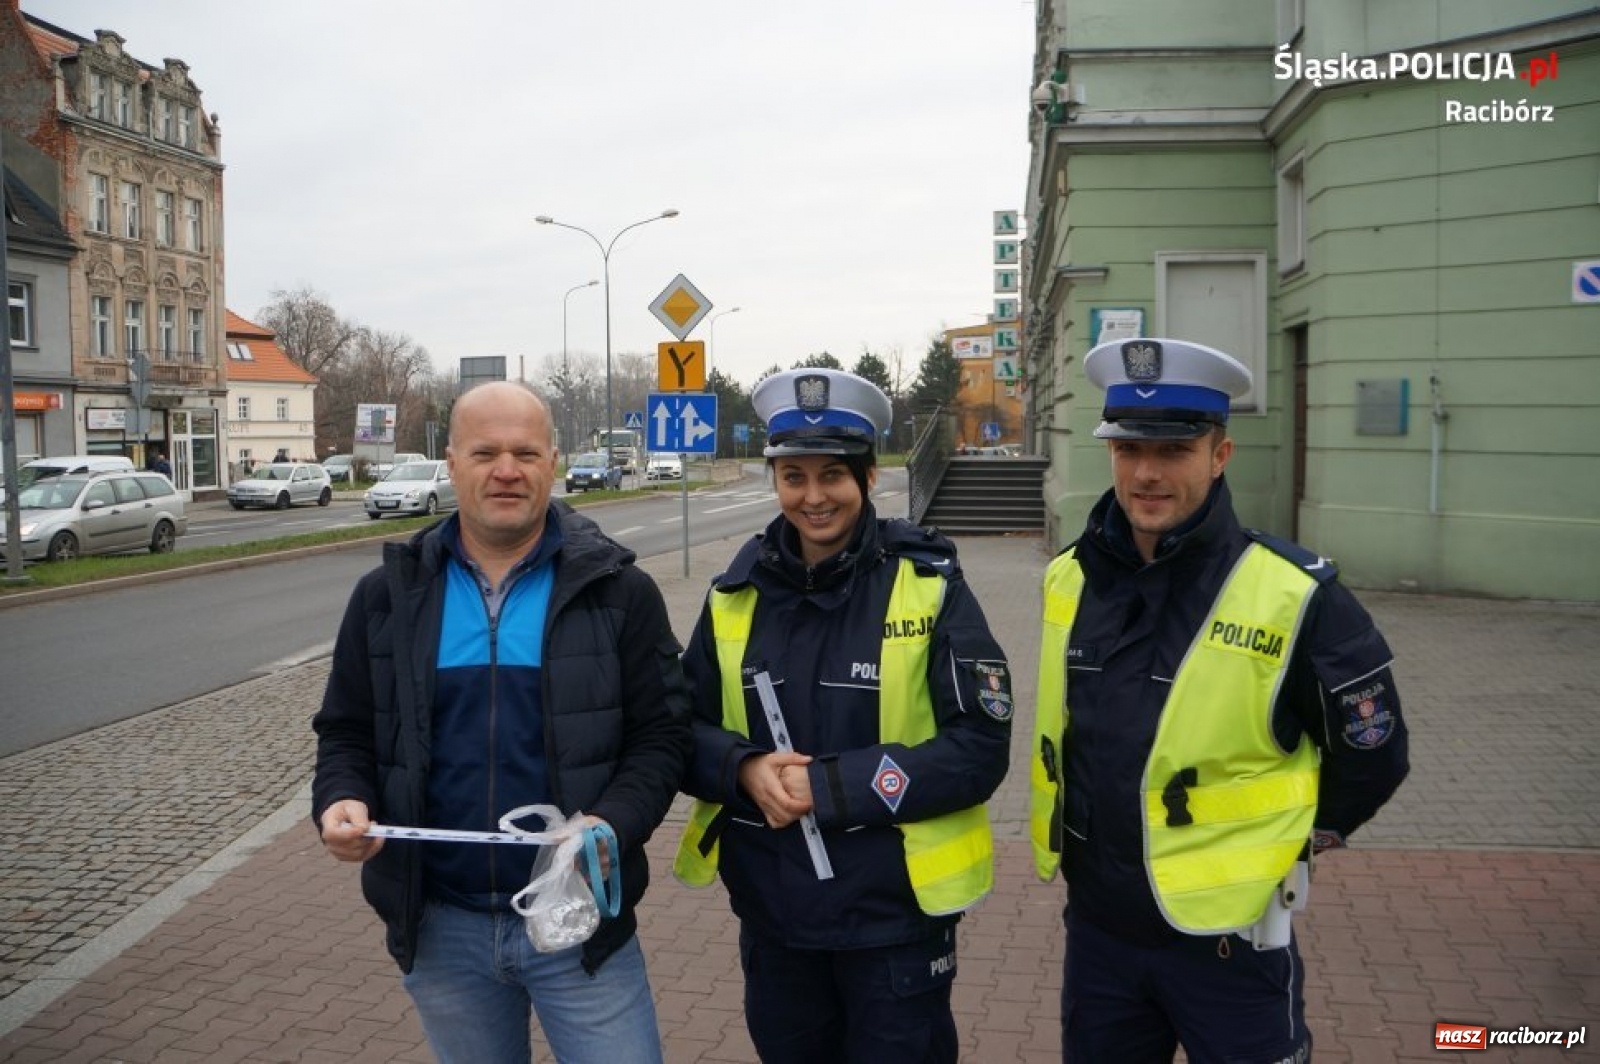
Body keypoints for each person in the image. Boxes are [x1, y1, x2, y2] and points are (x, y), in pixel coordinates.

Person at [1029, 338, 1410, 1062]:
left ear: (1219, 454)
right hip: (1100, 935)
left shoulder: (1295, 594)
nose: (1145, 473)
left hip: (1230, 944)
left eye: (1173, 450)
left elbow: (1374, 754)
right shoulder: (1069, 578)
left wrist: (1293, 844)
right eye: (1128, 447)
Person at [312, 381, 691, 1064]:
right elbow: (345, 731)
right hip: (439, 925)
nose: (506, 471)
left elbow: (661, 738)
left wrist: (612, 824)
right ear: (450, 463)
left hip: (579, 921)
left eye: (525, 452)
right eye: (485, 452)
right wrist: (342, 798)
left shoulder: (618, 592)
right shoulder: (387, 598)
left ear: (553, 460)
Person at [674, 368, 1013, 1062]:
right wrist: (741, 768)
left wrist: (832, 786)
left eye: (832, 475)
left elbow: (980, 746)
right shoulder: (732, 596)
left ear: (868, 480)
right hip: (775, 920)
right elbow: (676, 731)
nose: (813, 496)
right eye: (793, 476)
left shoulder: (928, 585)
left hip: (893, 924)